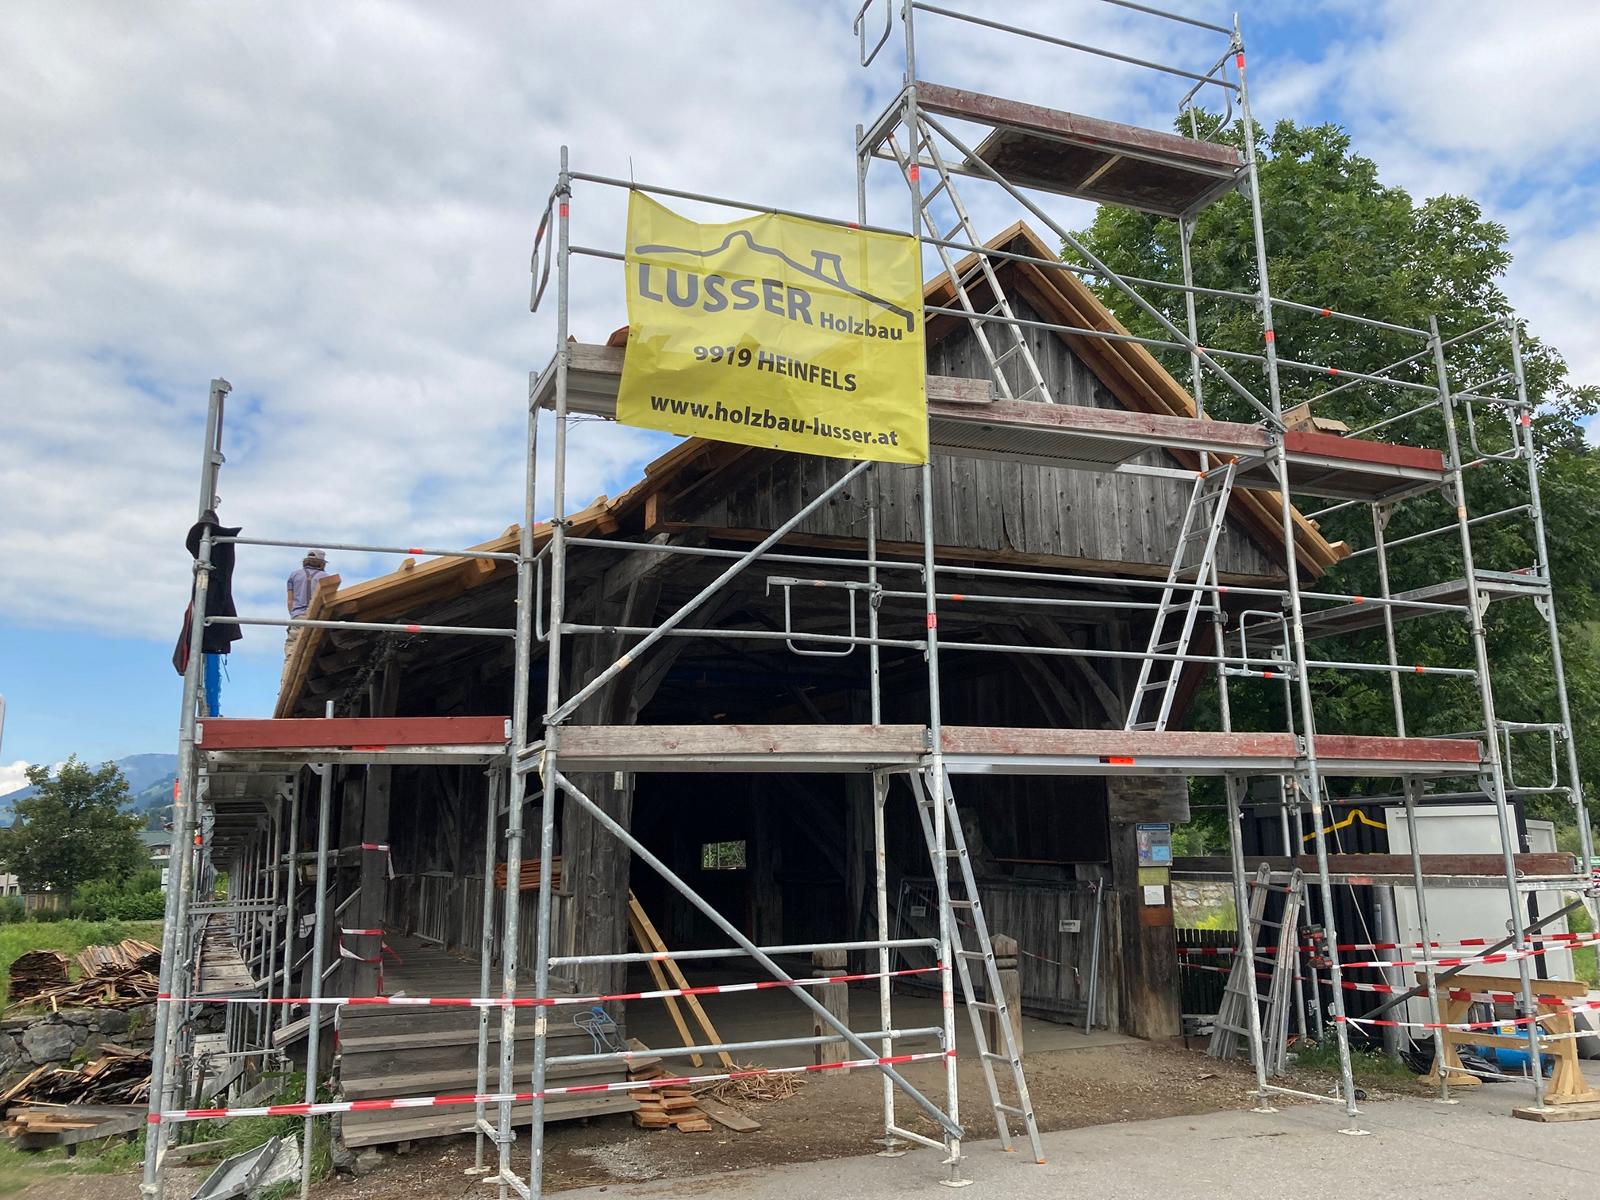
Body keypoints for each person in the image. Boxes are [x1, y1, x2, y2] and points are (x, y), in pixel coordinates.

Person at [282, 550, 328, 690]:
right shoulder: (325, 577)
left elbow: (290, 601)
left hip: (298, 617)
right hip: (316, 618)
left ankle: (285, 684)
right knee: (314, 651)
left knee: (291, 651)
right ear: (321, 563)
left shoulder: (294, 575)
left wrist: (294, 615)